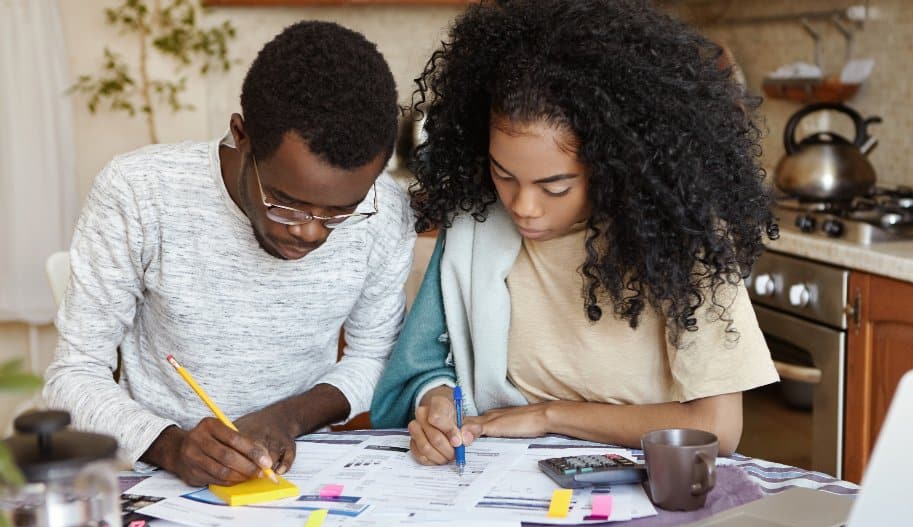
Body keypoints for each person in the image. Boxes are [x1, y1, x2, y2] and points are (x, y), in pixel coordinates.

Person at [370, 0, 779, 466]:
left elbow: (718, 428)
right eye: (504, 174)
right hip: (500, 476)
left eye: (555, 186)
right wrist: (436, 403)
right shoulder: (474, 224)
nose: (523, 207)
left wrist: (550, 417)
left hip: (643, 478)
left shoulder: (678, 237)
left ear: (613, 165)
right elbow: (425, 368)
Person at [44, 21, 415, 486]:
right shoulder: (140, 192)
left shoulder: (387, 210)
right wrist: (171, 446)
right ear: (242, 136)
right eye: (287, 202)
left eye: (343, 211)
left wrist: (289, 417)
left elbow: (376, 357)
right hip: (159, 475)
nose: (311, 232)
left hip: (302, 472)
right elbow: (72, 375)